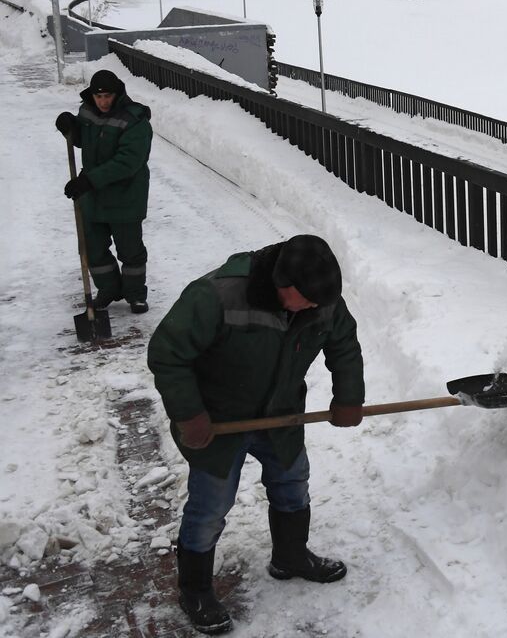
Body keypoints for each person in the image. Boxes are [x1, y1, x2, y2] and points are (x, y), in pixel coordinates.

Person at [147, 235, 365, 635]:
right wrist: (189, 414)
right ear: (283, 285)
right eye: (308, 300)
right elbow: (167, 352)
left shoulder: (319, 298)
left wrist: (349, 396)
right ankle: (194, 589)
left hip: (280, 416)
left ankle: (290, 556)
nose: (317, 308)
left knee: (292, 484)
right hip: (218, 421)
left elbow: (344, 344)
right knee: (210, 507)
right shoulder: (217, 296)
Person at [55, 69, 153, 313]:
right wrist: (70, 127)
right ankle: (108, 289)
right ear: (92, 96)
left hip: (125, 195)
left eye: (108, 96)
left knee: (130, 250)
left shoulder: (135, 120)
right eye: (99, 97)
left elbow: (128, 162)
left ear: (117, 93)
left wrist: (88, 180)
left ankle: (135, 294)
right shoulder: (87, 112)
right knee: (93, 246)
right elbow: (85, 139)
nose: (103, 102)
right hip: (94, 196)